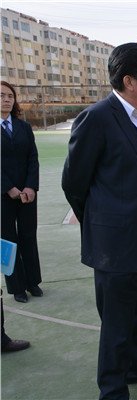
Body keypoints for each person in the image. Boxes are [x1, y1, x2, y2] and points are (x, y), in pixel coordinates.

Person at [62, 43, 137, 400]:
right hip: (117, 244)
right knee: (117, 322)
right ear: (130, 81)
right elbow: (74, 183)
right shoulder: (98, 118)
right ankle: (113, 389)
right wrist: (105, 224)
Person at [1, 80, 42, 304]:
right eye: (1, 95)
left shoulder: (23, 127)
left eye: (10, 96)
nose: (6, 99)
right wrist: (9, 188)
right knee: (7, 240)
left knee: (28, 236)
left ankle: (32, 282)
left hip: (27, 194)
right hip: (2, 195)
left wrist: (30, 186)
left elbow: (33, 158)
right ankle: (16, 287)